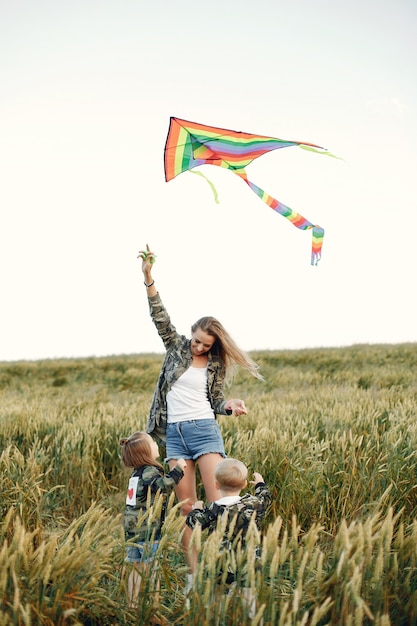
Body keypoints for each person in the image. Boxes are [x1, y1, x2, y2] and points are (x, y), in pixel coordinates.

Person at [137, 244, 263, 585]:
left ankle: (230, 574)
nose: (198, 347)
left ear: (213, 345)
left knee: (221, 505)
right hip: (174, 435)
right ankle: (195, 580)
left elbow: (216, 399)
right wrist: (149, 278)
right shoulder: (176, 345)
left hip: (205, 432)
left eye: (205, 345)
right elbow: (158, 315)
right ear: (190, 335)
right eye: (195, 341)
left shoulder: (216, 364)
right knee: (189, 512)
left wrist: (230, 406)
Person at [185, 458, 272, 619]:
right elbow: (266, 498)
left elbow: (193, 523)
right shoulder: (255, 504)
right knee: (250, 596)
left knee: (217, 595)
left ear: (216, 485)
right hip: (250, 560)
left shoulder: (215, 508)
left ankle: (215, 619)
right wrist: (260, 484)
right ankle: (253, 619)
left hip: (221, 561)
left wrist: (196, 509)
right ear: (245, 484)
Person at [120, 430, 186, 609]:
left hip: (131, 530)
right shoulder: (149, 470)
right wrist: (178, 469)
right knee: (153, 567)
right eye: (153, 443)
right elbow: (161, 487)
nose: (157, 445)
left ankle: (132, 604)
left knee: (136, 567)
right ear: (146, 452)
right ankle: (153, 603)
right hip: (147, 531)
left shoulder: (136, 473)